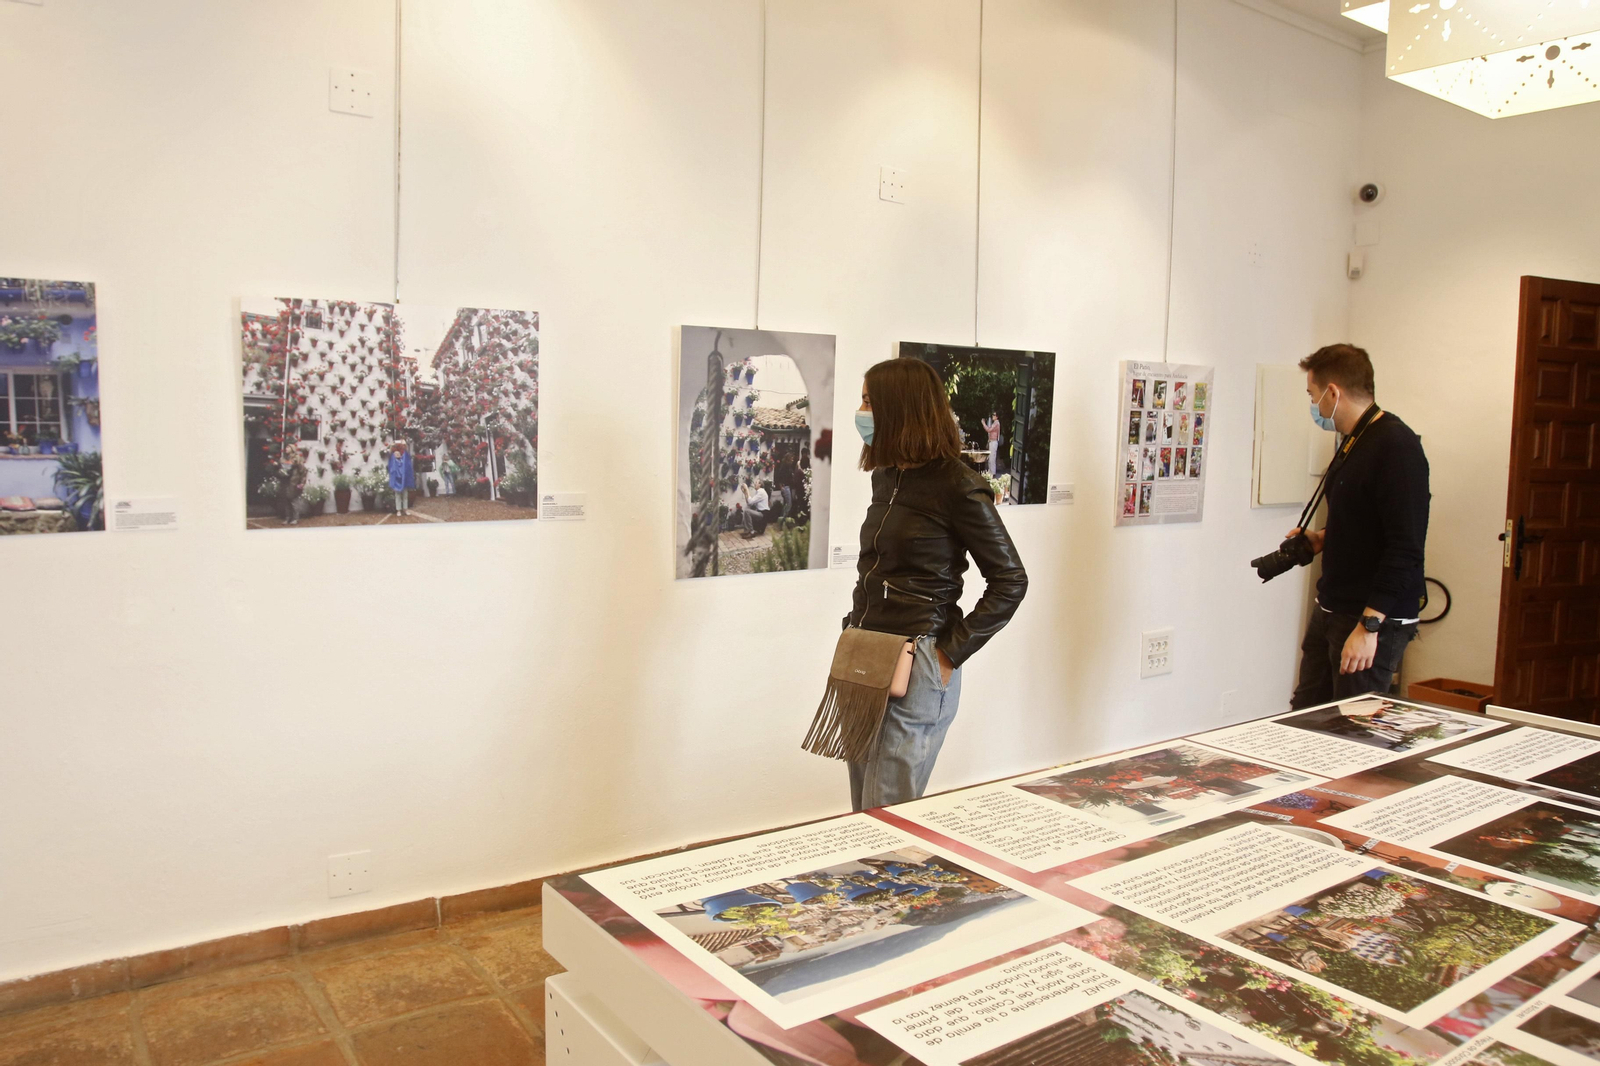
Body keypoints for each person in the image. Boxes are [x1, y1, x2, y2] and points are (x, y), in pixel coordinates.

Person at [846, 358, 1027, 810]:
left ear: (899, 406)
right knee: (862, 814)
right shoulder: (887, 476)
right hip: (867, 654)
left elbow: (1010, 579)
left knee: (888, 812)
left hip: (918, 661)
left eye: (868, 401)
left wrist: (948, 653)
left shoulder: (958, 485)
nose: (861, 412)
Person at [1288, 344, 1429, 709]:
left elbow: (1406, 546)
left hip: (1369, 617)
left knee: (1350, 724)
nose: (1314, 405)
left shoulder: (1397, 446)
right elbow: (1366, 519)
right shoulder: (1354, 440)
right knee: (1304, 716)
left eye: (1313, 395)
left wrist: (1369, 627)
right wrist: (1321, 538)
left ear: (1333, 393)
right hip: (1334, 605)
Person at [387, 439, 416, 517]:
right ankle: (398, 510)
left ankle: (405, 509)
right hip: (396, 481)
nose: (396, 454)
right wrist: (392, 445)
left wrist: (404, 444)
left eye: (398, 453)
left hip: (404, 480)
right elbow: (390, 452)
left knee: (405, 496)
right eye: (395, 453)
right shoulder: (393, 460)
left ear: (400, 454)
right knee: (398, 496)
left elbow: (406, 452)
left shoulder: (404, 460)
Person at [278, 451, 307, 526]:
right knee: (286, 502)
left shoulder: (297, 460)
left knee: (294, 502)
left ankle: (295, 518)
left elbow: (303, 472)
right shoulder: (284, 459)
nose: (286, 449)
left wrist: (302, 483)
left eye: (288, 447)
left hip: (294, 484)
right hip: (286, 483)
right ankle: (288, 518)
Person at [981, 411, 1002, 476]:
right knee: (990, 458)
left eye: (994, 415)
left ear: (997, 416)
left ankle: (993, 473)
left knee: (992, 458)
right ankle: (990, 472)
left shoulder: (996, 423)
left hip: (993, 442)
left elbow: (989, 430)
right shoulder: (995, 423)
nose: (993, 416)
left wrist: (983, 423)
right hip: (991, 441)